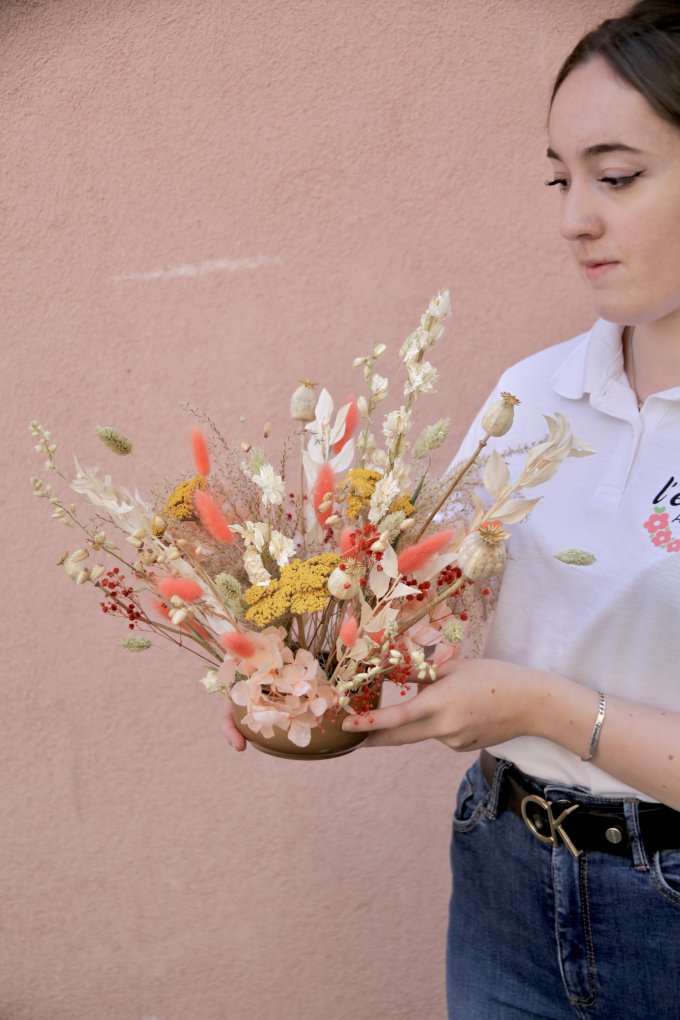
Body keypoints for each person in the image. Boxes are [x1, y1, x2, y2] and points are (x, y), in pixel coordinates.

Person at [223, 2, 680, 1015]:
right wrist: (301, 680)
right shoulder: (534, 394)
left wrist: (539, 707)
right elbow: (416, 608)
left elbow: (518, 691)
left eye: (614, 176)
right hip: (502, 874)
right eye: (559, 179)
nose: (573, 217)